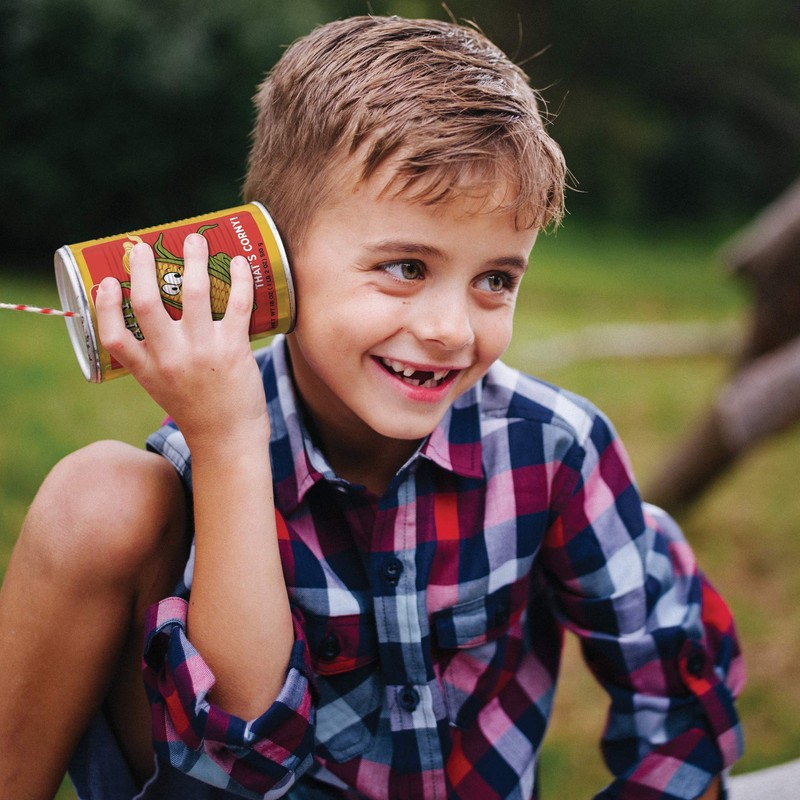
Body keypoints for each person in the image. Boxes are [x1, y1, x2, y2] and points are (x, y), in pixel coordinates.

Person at [0, 15, 743, 800]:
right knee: (103, 491)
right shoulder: (209, 451)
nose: (451, 329)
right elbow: (245, 762)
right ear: (274, 265)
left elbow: (679, 705)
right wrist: (230, 443)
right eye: (405, 266)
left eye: (496, 279)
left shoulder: (552, 449)